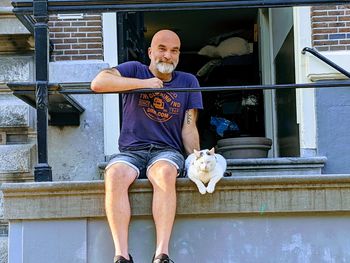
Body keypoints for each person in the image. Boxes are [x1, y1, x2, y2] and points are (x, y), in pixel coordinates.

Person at [91, 29, 203, 263]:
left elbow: (189, 126)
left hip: (166, 152)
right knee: (114, 174)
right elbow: (98, 83)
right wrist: (143, 84)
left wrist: (196, 160)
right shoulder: (134, 70)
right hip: (131, 151)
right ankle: (121, 256)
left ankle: (161, 255)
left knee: (164, 172)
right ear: (150, 52)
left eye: (174, 51)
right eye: (162, 49)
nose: (167, 56)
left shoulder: (188, 81)